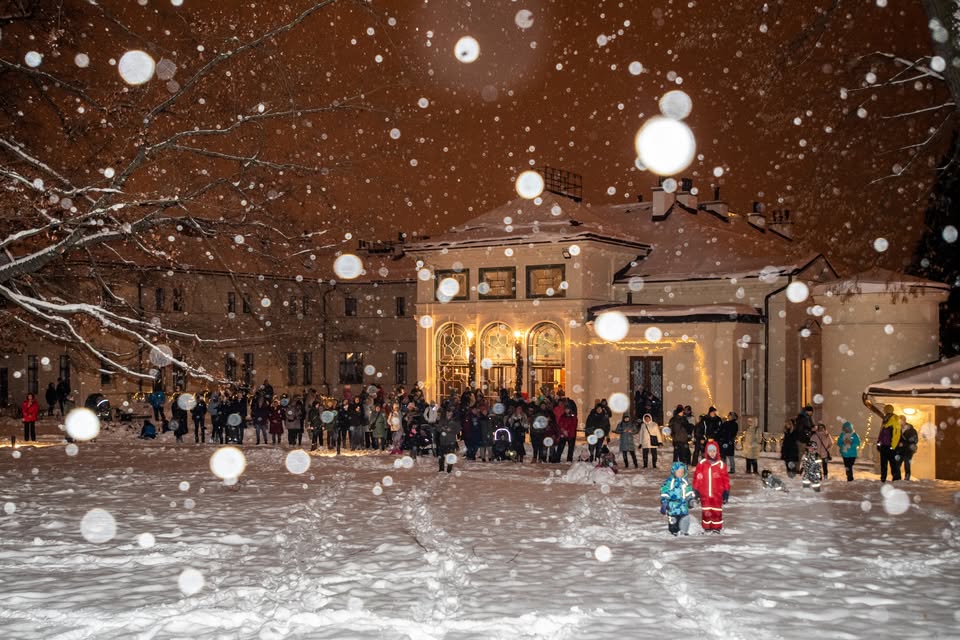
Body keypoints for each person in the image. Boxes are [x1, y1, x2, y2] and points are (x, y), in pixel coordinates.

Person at [693, 440, 730, 533]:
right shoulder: (702, 464)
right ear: (706, 452)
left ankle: (717, 527)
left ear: (717, 451)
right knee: (706, 510)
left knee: (717, 511)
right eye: (710, 451)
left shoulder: (721, 465)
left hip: (717, 494)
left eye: (714, 451)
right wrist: (696, 490)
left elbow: (725, 480)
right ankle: (707, 526)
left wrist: (726, 491)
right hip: (704, 493)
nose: (712, 453)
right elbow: (697, 478)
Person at [660, 462, 696, 536]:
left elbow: (689, 492)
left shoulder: (685, 482)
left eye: (682, 472)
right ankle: (674, 532)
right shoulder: (669, 482)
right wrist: (664, 502)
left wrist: (690, 500)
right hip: (672, 507)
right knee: (673, 521)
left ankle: (683, 532)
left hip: (683, 507)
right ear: (674, 471)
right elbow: (664, 492)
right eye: (678, 472)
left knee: (684, 520)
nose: (680, 474)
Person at [870, 402, 902, 482]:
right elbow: (881, 433)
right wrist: (878, 443)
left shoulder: (894, 420)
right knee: (884, 463)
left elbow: (896, 434)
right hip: (884, 446)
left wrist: (893, 446)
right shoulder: (885, 420)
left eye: (885, 410)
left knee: (892, 464)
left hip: (890, 446)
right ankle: (883, 478)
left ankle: (896, 479)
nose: (884, 411)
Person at [436, 407, 460, 473]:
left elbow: (458, 430)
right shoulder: (442, 420)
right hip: (443, 440)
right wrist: (442, 429)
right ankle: (441, 468)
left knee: (450, 456)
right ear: (446, 413)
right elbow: (438, 428)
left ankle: (449, 469)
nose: (449, 414)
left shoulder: (455, 421)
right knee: (441, 456)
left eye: (450, 413)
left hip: (451, 440)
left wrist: (451, 430)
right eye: (448, 412)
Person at [899, 416, 919, 481]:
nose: (900, 422)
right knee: (897, 463)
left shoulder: (912, 430)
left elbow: (915, 440)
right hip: (900, 449)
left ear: (904, 421)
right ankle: (897, 476)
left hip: (908, 449)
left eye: (901, 420)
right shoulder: (898, 429)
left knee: (907, 462)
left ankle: (907, 476)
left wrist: (904, 443)